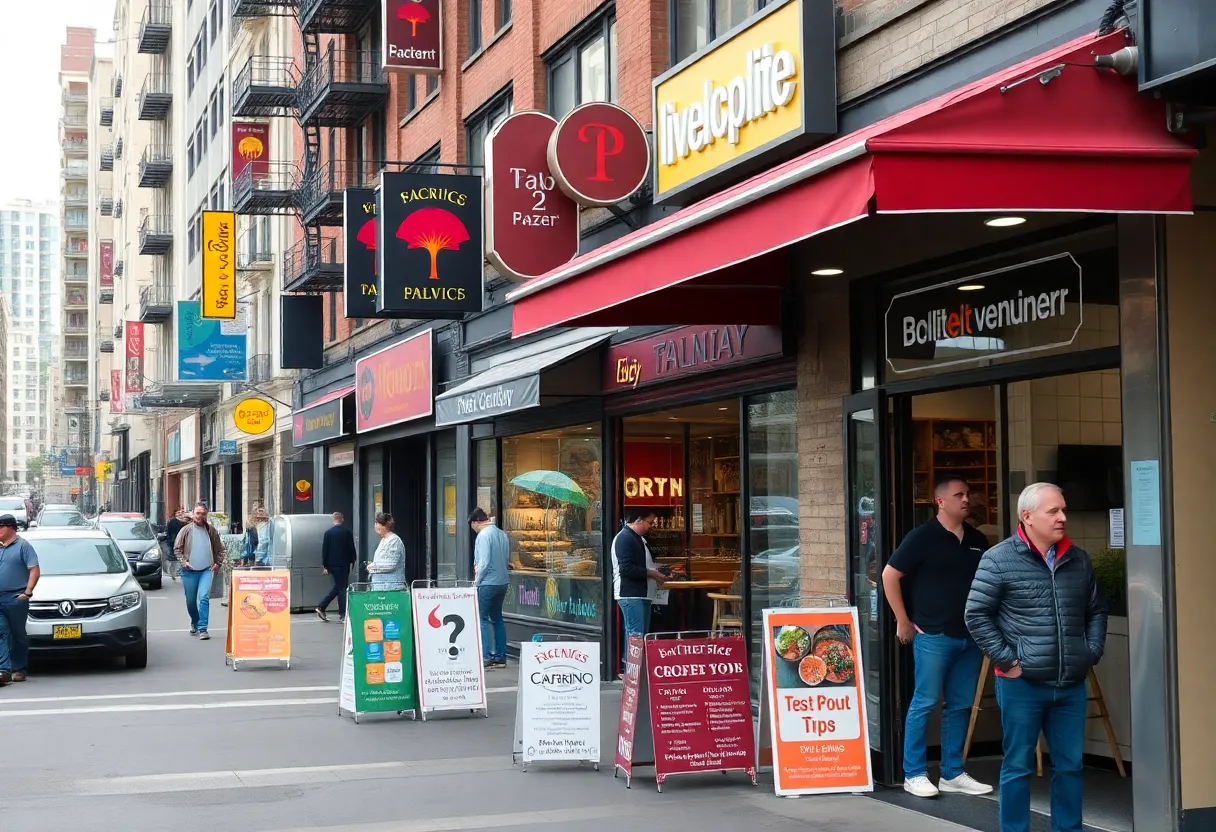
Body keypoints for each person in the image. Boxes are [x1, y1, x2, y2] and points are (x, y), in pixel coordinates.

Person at [966, 483, 1108, 832]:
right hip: (1022, 684)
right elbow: (976, 615)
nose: (1062, 518)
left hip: (1070, 683)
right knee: (1018, 766)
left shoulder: (1078, 559)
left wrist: (1089, 652)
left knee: (1070, 767)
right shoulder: (998, 559)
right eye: (1053, 511)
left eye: (1063, 510)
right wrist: (1008, 661)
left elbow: (1096, 610)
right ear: (1027, 517)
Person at [882, 477, 993, 798]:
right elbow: (889, 575)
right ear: (940, 501)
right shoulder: (922, 536)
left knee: (960, 705)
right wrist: (903, 620)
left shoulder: (978, 539)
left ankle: (952, 773)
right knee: (925, 702)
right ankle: (914, 773)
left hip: (970, 636)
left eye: (968, 494)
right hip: (933, 634)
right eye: (959, 495)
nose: (966, 499)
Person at [610, 508, 666, 673]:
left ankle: (636, 670)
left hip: (641, 593)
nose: (650, 527)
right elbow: (626, 569)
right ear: (639, 520)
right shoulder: (624, 538)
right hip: (630, 594)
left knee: (640, 634)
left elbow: (641, 565)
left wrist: (657, 573)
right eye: (649, 523)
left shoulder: (638, 538)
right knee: (635, 634)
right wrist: (652, 573)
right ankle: (631, 671)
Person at [173, 502, 225, 640]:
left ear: (206, 515)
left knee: (203, 598)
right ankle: (195, 621)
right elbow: (177, 549)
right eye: (198, 513)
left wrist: (217, 563)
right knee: (191, 601)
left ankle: (203, 628)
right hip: (189, 571)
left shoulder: (211, 531)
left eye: (203, 514)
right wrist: (183, 562)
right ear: (193, 514)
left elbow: (220, 549)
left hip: (206, 570)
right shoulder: (186, 530)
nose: (200, 516)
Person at [0, 514, 39, 686]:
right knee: (1, 632)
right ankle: (4, 670)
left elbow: (34, 569)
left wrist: (27, 592)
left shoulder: (23, 546)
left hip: (16, 598)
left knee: (18, 635)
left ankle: (19, 669)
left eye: (1, 527)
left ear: (11, 528)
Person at [469, 508, 510, 669]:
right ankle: (500, 656)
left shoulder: (483, 535)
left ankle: (485, 656)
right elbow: (506, 558)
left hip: (487, 583)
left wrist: (477, 582)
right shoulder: (502, 534)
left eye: (472, 526)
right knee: (497, 619)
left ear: (475, 522)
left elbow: (484, 562)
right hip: (502, 582)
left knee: (482, 619)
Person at [316, 511, 356, 622]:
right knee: (342, 588)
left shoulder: (328, 533)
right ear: (342, 519)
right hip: (343, 564)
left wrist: (325, 565)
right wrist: (353, 560)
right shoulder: (347, 532)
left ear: (333, 520)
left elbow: (325, 550)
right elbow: (351, 548)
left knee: (339, 587)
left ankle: (323, 607)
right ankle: (340, 613)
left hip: (332, 565)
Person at [367, 512, 406, 590]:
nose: (375, 526)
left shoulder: (394, 540)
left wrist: (373, 566)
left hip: (391, 588)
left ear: (385, 526)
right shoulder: (384, 540)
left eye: (377, 523)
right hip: (381, 587)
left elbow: (390, 565)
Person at [163, 508, 187, 581]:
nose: (180, 514)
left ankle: (178, 571)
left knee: (181, 557)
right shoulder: (171, 521)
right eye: (178, 513)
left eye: (181, 512)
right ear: (175, 514)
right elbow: (168, 531)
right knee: (173, 558)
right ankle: (173, 571)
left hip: (182, 542)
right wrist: (169, 540)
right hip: (173, 542)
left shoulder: (185, 522)